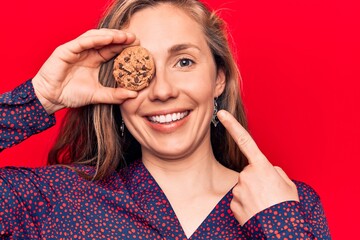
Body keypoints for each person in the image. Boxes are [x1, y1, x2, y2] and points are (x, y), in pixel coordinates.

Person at [0, 0, 331, 239]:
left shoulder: (288, 203)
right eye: (143, 69)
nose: (161, 90)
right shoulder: (52, 200)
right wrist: (40, 96)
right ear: (115, 84)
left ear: (219, 78)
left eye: (184, 62)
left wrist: (278, 224)